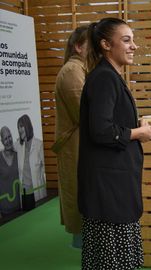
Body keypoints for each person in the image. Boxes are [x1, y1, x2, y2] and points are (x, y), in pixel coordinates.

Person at [77, 18, 151, 269]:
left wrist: (135, 127)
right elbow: (100, 130)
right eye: (126, 40)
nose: (133, 46)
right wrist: (137, 132)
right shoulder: (104, 78)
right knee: (112, 261)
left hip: (113, 185)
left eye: (133, 40)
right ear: (105, 44)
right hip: (108, 190)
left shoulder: (109, 75)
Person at [53, 25, 88, 248]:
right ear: (78, 46)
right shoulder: (72, 71)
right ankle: (84, 244)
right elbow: (84, 111)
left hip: (81, 142)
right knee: (78, 191)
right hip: (75, 143)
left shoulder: (80, 69)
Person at [15, 114, 47, 211]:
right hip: (23, 195)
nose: (20, 130)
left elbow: (46, 169)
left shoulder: (39, 145)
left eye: (21, 126)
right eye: (18, 127)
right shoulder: (18, 146)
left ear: (27, 126)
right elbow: (7, 148)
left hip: (36, 193)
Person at [0, 126, 21, 216]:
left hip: (20, 207)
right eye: (5, 138)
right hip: (4, 210)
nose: (8, 140)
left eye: (9, 137)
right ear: (1, 141)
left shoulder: (18, 155)